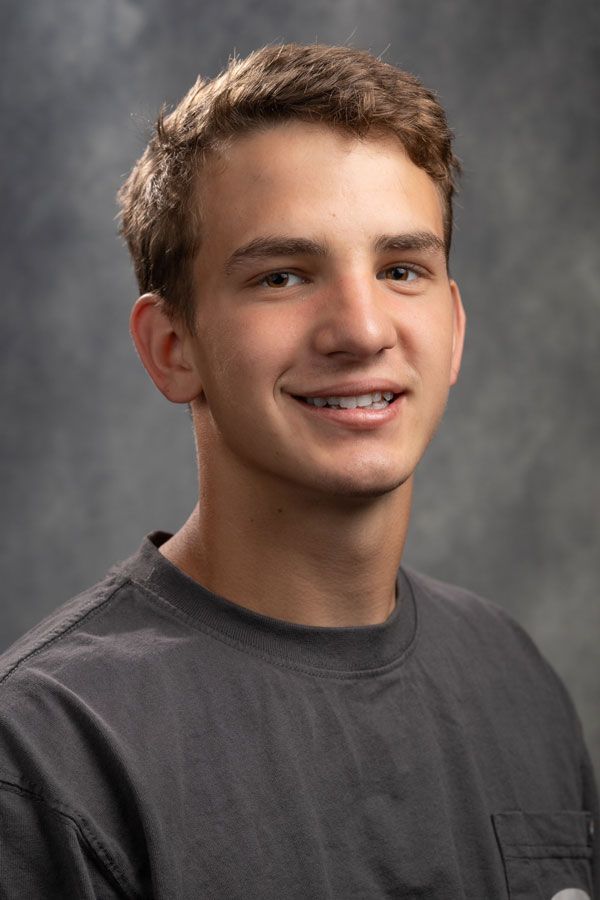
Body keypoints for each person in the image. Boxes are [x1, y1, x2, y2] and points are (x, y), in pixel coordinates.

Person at [0, 43, 597, 900]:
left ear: (455, 328)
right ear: (172, 349)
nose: (361, 329)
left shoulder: (514, 679)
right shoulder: (50, 754)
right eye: (282, 275)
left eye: (401, 270)